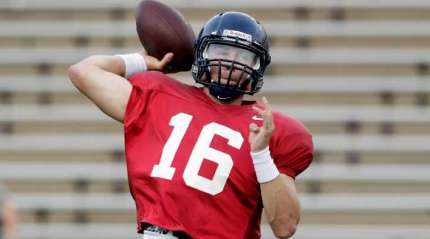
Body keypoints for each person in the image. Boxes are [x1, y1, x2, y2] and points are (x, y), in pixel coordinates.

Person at [68, 11, 313, 239]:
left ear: (257, 67)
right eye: (222, 52)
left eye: (243, 56)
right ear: (201, 54)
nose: (230, 63)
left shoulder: (270, 127)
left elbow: (285, 226)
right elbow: (84, 72)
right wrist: (142, 61)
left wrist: (261, 154)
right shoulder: (159, 95)